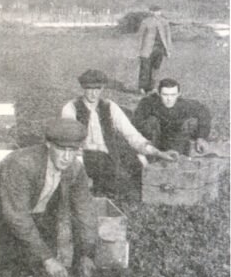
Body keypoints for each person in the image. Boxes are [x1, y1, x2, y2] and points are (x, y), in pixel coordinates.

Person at [0, 118, 98, 277]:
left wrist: (86, 253)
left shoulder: (75, 168)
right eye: (62, 149)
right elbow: (16, 216)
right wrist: (47, 258)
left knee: (44, 271)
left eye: (73, 150)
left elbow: (85, 210)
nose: (67, 157)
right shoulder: (22, 164)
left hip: (32, 216)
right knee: (6, 275)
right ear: (48, 144)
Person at [60, 69, 177, 197]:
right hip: (81, 157)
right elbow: (69, 140)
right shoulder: (71, 108)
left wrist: (159, 153)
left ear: (103, 88)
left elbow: (131, 134)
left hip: (108, 156)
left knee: (137, 171)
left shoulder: (109, 106)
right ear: (83, 87)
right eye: (89, 88)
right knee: (118, 183)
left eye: (98, 88)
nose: (94, 93)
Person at [132, 78, 212, 156]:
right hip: (155, 138)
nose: (169, 99)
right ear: (159, 94)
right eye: (165, 95)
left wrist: (200, 137)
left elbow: (203, 111)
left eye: (173, 95)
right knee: (152, 121)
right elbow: (136, 122)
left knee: (191, 123)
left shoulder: (183, 105)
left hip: (175, 137)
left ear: (178, 94)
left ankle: (184, 150)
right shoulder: (149, 103)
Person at [136, 5, 172, 94]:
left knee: (156, 68)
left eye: (158, 11)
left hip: (159, 48)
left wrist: (168, 50)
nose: (156, 13)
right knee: (145, 68)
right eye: (154, 11)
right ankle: (142, 88)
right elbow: (140, 36)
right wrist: (138, 50)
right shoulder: (145, 22)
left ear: (160, 12)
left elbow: (168, 37)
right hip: (147, 49)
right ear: (150, 12)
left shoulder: (164, 22)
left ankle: (153, 87)